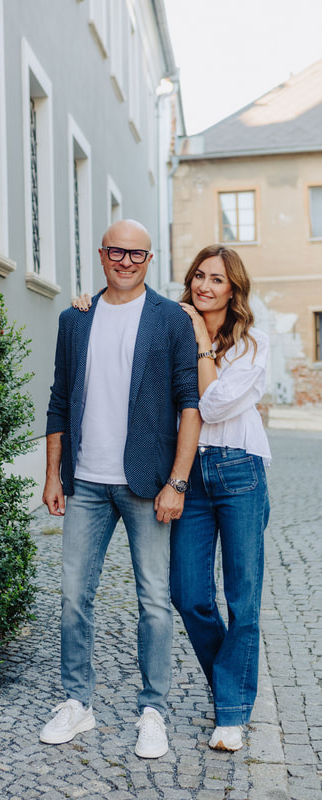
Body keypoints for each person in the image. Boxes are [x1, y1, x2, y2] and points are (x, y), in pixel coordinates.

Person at [40, 219, 200, 758]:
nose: (125, 261)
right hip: (85, 481)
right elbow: (59, 399)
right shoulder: (74, 319)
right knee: (73, 596)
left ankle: (153, 709)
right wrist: (52, 474)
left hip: (146, 484)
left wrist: (177, 482)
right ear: (103, 254)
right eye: (116, 251)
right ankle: (77, 703)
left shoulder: (170, 319)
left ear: (149, 260)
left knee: (154, 600)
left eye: (136, 254)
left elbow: (189, 403)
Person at [170, 244, 271, 752]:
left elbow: (212, 404)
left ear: (233, 290)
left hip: (238, 471)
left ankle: (230, 712)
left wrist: (201, 343)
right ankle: (230, 688)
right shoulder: (172, 328)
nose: (204, 287)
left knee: (243, 598)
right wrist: (88, 303)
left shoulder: (252, 344)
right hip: (189, 473)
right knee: (188, 594)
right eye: (198, 277)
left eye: (216, 280)